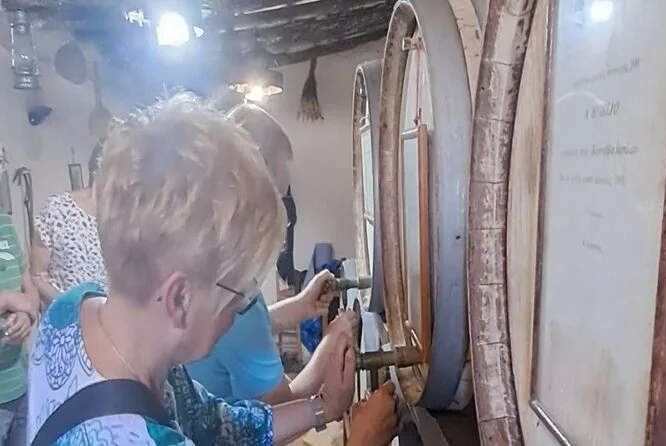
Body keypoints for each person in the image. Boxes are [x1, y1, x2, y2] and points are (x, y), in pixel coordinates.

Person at [27, 93, 396, 445]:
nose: (243, 309)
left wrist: (323, 406)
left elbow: (214, 423)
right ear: (180, 299)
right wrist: (364, 440)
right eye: (239, 296)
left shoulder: (71, 310)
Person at [187, 103, 356, 405]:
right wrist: (332, 342)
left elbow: (240, 331)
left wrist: (301, 306)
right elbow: (280, 410)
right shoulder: (234, 288)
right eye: (277, 197)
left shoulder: (202, 254)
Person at [31, 143, 107, 308]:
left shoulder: (126, 218)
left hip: (112, 319)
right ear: (98, 170)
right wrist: (72, 307)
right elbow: (37, 275)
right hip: (66, 318)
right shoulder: (58, 210)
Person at [0, 211, 39, 446]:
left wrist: (26, 315)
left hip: (21, 386)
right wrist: (5, 299)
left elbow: (29, 289)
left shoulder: (4, 224)